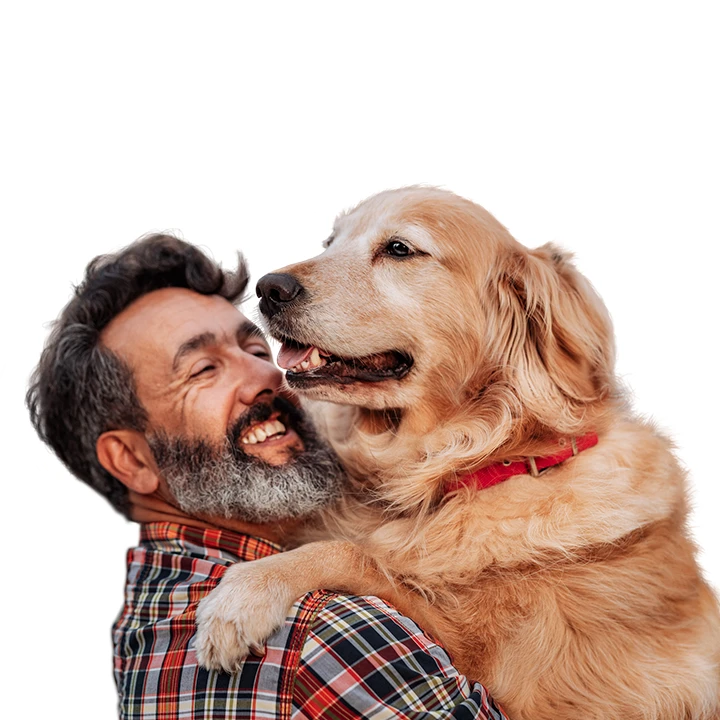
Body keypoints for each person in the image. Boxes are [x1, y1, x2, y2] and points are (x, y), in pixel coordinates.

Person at [26, 234, 508, 720]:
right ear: (131, 460)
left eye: (256, 348)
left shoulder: (148, 623)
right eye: (203, 370)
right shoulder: (325, 636)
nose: (269, 377)